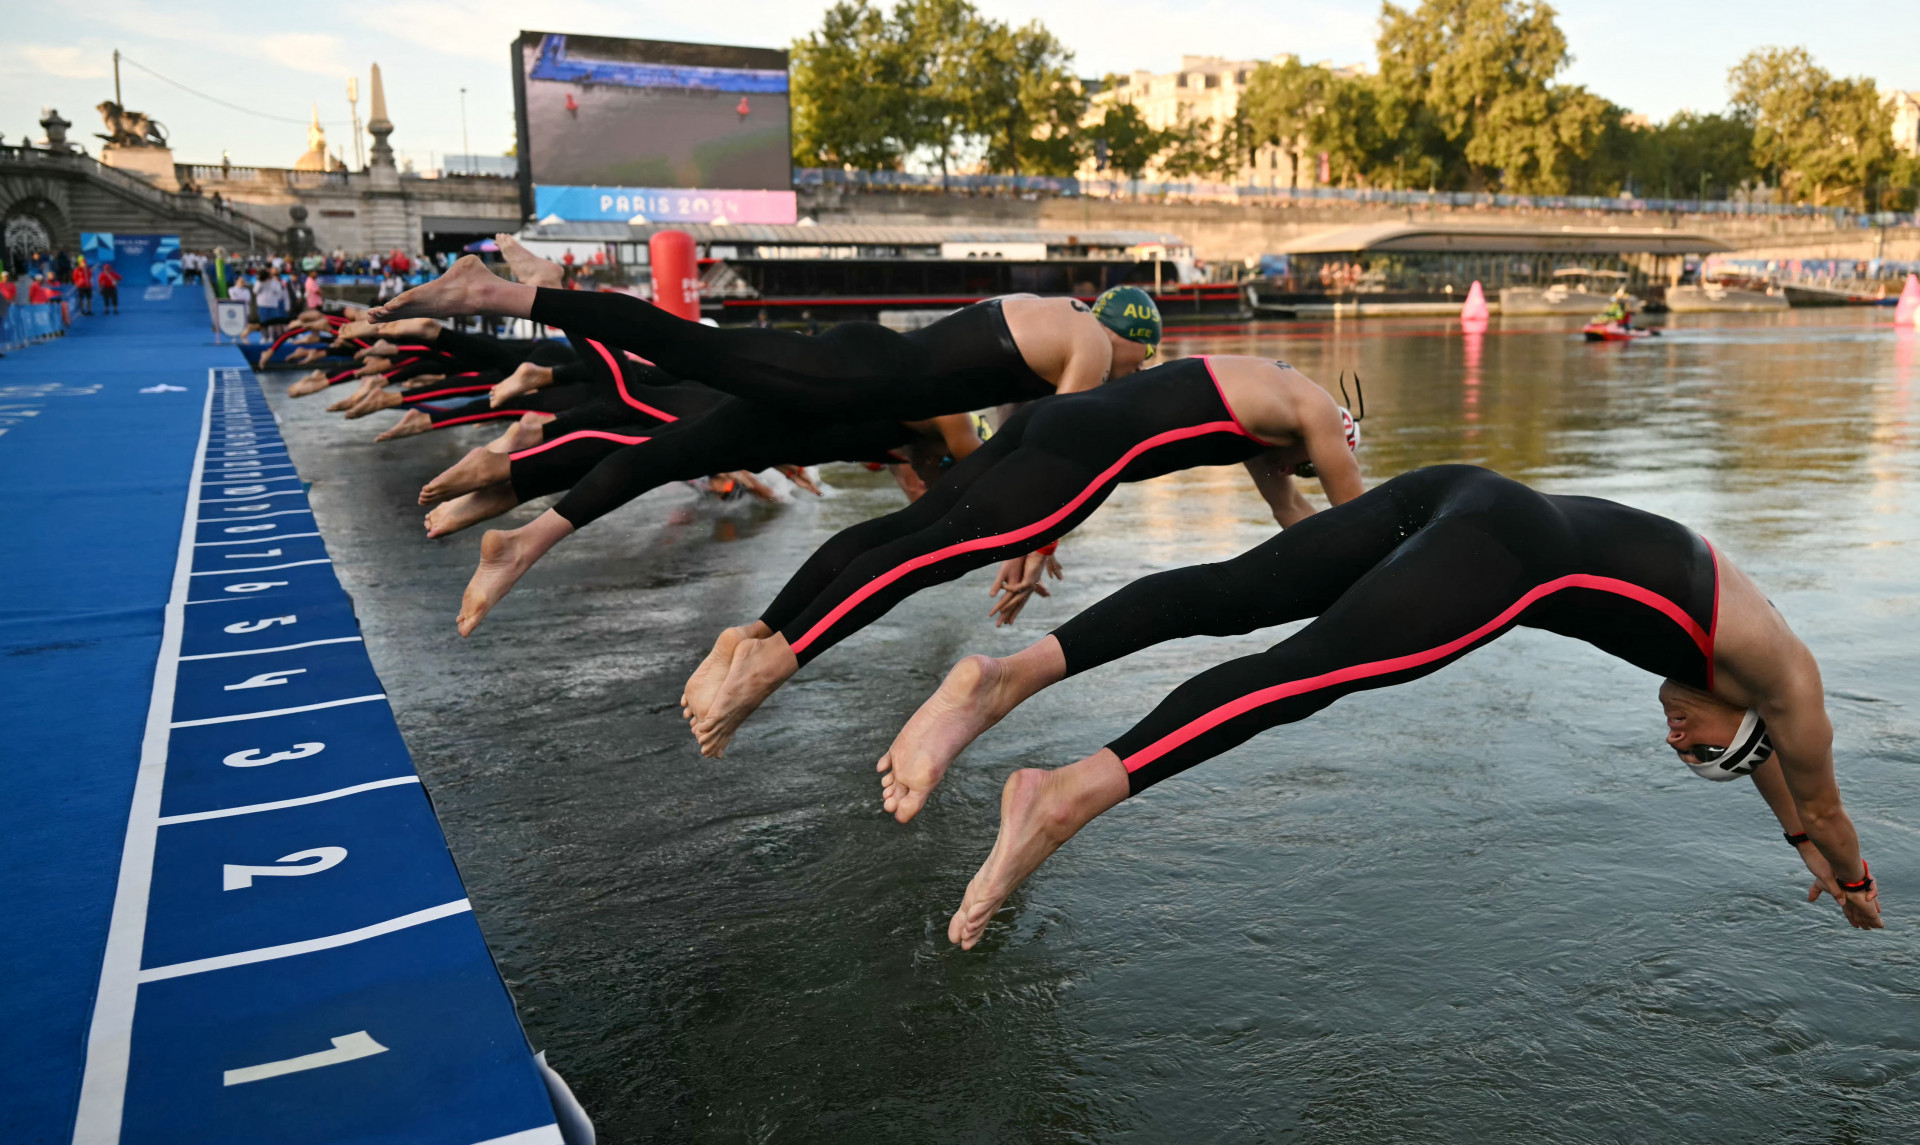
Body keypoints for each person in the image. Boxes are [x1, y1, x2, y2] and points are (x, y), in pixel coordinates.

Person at [871, 464, 1883, 950]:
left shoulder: (1747, 657)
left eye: (1688, 755)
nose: (1677, 739)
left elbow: (1774, 776)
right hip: (1508, 558)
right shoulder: (1791, 688)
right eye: (1699, 745)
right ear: (1743, 719)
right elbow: (1815, 788)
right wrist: (1850, 874)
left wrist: (1792, 840)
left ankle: (1000, 678)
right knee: (1302, 673)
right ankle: (1066, 794)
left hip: (1465, 495)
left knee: (1230, 590)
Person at [673, 354, 1366, 759]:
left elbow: (1290, 519)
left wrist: (1038, 535)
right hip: (1094, 446)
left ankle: (751, 635)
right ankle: (771, 668)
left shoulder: (1265, 393)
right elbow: (1354, 525)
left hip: (1052, 417)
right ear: (1337, 435)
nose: (1294, 470)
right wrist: (1387, 573)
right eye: (1309, 466)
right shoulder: (1317, 414)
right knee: (933, 556)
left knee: (911, 527)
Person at [367, 241, 1162, 418]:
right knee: (684, 356)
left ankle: (540, 296)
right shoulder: (1091, 339)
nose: (1133, 372)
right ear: (1129, 335)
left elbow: (1020, 415)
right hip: (864, 380)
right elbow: (1060, 438)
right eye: (1142, 359)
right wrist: (1035, 549)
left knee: (689, 374)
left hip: (867, 367)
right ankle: (514, 297)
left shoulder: (1053, 320)